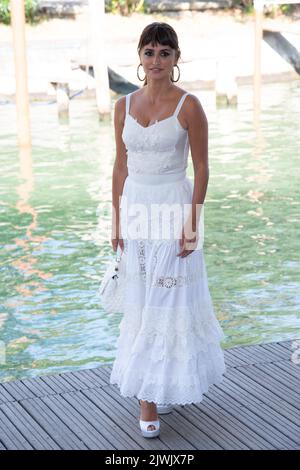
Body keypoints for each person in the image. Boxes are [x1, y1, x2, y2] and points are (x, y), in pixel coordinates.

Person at [109, 22, 226, 438]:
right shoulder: (122, 106)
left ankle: (159, 385)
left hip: (173, 207)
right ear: (139, 57)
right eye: (149, 52)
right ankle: (147, 396)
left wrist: (193, 222)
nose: (156, 60)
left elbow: (202, 168)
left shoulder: (189, 106)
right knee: (142, 299)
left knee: (170, 297)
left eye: (164, 52)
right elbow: (120, 166)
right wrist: (116, 219)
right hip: (137, 209)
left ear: (176, 58)